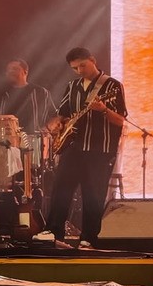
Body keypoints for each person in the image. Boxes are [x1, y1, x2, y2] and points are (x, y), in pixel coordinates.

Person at [32, 47, 127, 248]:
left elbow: (120, 120)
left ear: (93, 60)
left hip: (100, 149)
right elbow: (62, 114)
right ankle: (53, 232)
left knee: (94, 194)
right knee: (60, 189)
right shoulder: (72, 86)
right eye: (75, 68)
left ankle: (89, 238)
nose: (79, 71)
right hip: (73, 147)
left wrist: (104, 110)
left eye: (83, 66)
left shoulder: (112, 86)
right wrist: (56, 124)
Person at [0, 58, 56, 134]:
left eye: (14, 69)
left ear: (25, 72)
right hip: (5, 138)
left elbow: (54, 116)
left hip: (35, 138)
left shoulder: (41, 92)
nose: (10, 71)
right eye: (8, 70)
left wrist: (48, 128)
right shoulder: (0, 93)